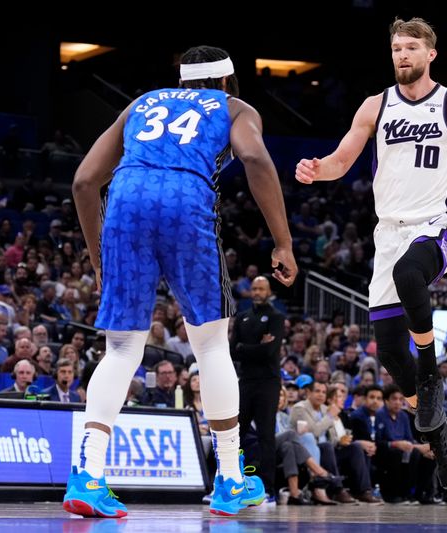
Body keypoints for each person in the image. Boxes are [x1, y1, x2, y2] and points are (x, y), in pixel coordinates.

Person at [63, 45, 297, 518]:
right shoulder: (234, 108)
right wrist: (282, 243)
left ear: (184, 82)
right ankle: (231, 478)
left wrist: (97, 257)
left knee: (121, 349)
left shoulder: (142, 102)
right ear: (228, 82)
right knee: (210, 345)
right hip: (184, 204)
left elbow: (85, 181)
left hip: (125, 203)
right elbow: (255, 158)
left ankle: (87, 476)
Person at [295, 17, 447, 491]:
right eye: (396, 47)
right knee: (392, 353)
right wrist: (317, 170)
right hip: (388, 231)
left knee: (409, 275)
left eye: (411, 47)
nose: (402, 55)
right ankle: (441, 429)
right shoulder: (375, 106)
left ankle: (433, 380)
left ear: (430, 54)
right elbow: (341, 160)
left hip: (437, 226)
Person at [231, 276, 285, 499]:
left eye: (261, 288)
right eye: (254, 288)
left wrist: (246, 347)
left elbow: (270, 352)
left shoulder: (276, 317)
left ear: (269, 291)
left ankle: (269, 489)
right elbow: (232, 350)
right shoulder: (241, 317)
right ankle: (232, 482)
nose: (256, 292)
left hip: (268, 383)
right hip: (245, 381)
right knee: (237, 433)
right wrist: (256, 347)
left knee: (266, 436)